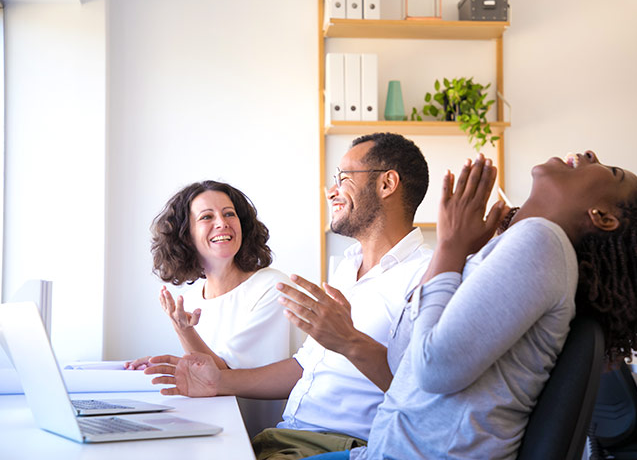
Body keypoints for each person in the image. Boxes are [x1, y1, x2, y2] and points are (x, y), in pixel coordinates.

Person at [299, 150, 637, 460]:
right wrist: (458, 252)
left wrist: (452, 246)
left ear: (603, 217)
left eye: (611, 172)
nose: (590, 154)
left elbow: (433, 369)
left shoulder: (542, 242)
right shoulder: (510, 248)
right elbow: (405, 363)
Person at [145, 132, 434, 459]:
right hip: (286, 436)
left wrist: (348, 340)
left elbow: (423, 394)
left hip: (342, 445)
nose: (331, 191)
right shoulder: (346, 269)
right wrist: (218, 383)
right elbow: (302, 366)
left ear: (387, 183)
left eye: (343, 178)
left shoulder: (427, 277)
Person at [124, 180, 305, 435]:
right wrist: (158, 368)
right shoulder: (193, 298)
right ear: (186, 236)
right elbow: (204, 376)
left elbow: (224, 376)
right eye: (207, 216)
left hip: (262, 439)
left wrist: (184, 331)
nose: (222, 223)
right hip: (216, 427)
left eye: (229, 214)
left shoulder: (272, 287)